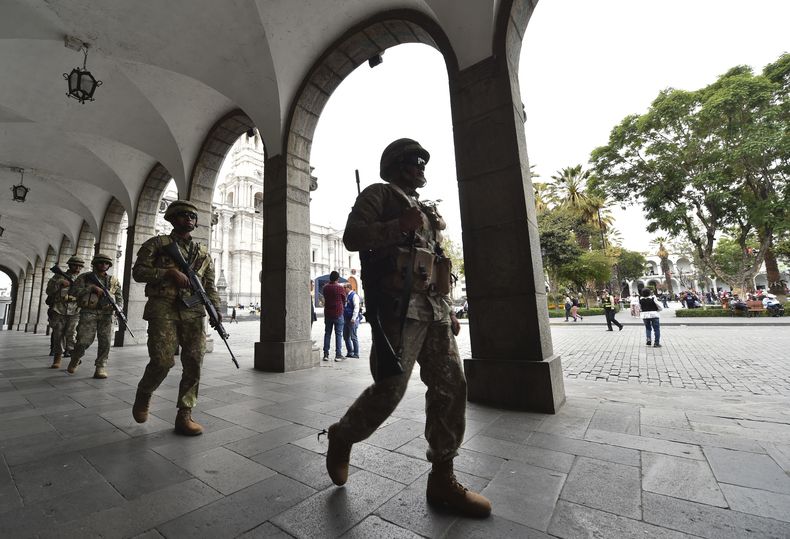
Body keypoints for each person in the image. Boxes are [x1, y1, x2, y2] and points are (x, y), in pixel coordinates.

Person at [323, 138, 491, 518]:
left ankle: (443, 477)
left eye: (423, 164)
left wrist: (448, 309)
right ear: (398, 165)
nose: (421, 169)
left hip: (433, 310)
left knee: (451, 387)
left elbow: (435, 262)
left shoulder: (425, 210)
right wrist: (398, 225)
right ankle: (343, 435)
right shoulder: (379, 195)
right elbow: (353, 237)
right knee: (390, 389)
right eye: (416, 162)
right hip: (398, 309)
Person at [130, 200, 222, 436]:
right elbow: (138, 272)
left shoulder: (203, 253)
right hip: (164, 307)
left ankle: (185, 414)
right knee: (162, 360)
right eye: (182, 214)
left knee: (194, 362)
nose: (189, 218)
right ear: (171, 218)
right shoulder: (157, 244)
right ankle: (144, 392)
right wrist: (168, 273)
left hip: (193, 310)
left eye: (192, 216)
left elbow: (209, 286)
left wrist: (216, 309)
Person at [66, 253, 123, 379]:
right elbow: (73, 292)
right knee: (83, 341)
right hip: (88, 312)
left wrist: (119, 308)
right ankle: (76, 358)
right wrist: (91, 288)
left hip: (107, 314)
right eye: (101, 262)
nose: (104, 265)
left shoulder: (113, 280)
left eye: (106, 263)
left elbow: (119, 297)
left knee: (105, 342)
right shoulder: (85, 277)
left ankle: (100, 366)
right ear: (95, 263)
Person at [45, 255, 84, 369]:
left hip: (75, 309)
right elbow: (49, 291)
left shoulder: (82, 279)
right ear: (70, 265)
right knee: (58, 334)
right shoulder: (58, 276)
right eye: (75, 265)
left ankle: (74, 356)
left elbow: (85, 293)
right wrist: (59, 283)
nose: (77, 268)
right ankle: (57, 358)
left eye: (80, 266)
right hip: (59, 308)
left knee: (71, 334)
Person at [322, 271, 347, 361]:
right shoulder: (340, 288)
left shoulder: (325, 288)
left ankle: (326, 354)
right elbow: (344, 299)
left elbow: (325, 297)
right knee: (338, 334)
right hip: (338, 313)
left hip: (328, 313)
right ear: (337, 278)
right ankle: (338, 355)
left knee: (327, 333)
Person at [342, 282, 361, 358]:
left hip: (352, 319)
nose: (344, 289)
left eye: (345, 288)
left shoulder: (354, 296)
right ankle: (350, 352)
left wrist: (353, 318)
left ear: (348, 288)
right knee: (346, 336)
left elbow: (356, 307)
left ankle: (356, 353)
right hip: (346, 319)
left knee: (353, 337)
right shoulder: (347, 295)